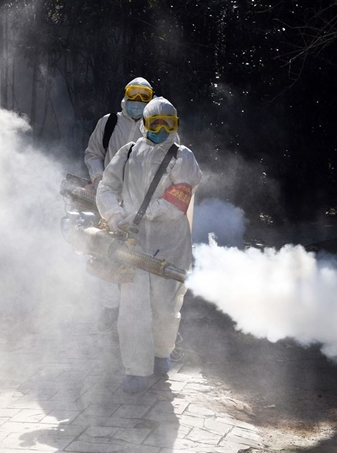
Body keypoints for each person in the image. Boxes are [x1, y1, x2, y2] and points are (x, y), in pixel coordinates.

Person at [95, 97, 202, 393]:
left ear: (176, 125)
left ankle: (161, 353)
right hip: (134, 240)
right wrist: (115, 217)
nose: (163, 130)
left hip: (171, 242)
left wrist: (136, 214)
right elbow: (106, 187)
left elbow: (176, 202)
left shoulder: (184, 158)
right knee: (132, 307)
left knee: (165, 307)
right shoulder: (128, 153)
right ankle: (136, 371)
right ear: (144, 124)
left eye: (169, 124)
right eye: (156, 124)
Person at [84, 77, 154, 333]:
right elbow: (93, 154)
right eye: (132, 95)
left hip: (142, 204)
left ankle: (136, 311)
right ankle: (110, 308)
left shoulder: (155, 125)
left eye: (143, 96)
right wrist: (99, 179)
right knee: (106, 251)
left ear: (150, 99)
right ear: (125, 96)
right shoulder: (109, 122)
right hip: (110, 199)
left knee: (138, 255)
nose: (137, 101)